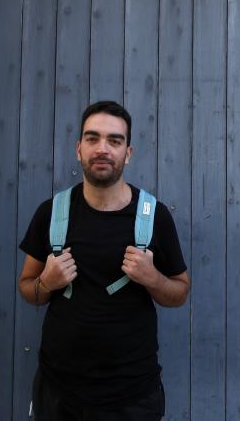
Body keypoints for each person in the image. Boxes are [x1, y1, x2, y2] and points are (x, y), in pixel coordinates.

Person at [18, 100, 190, 420]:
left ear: (128, 153)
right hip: (59, 391)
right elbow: (28, 289)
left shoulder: (155, 217)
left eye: (114, 140)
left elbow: (180, 292)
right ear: (78, 148)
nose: (102, 148)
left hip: (133, 395)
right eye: (92, 138)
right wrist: (47, 283)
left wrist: (152, 278)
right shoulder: (51, 213)